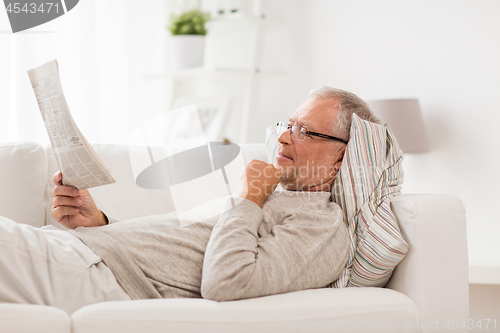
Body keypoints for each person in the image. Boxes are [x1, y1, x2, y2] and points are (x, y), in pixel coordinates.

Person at [0, 86, 380, 314]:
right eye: (286, 125)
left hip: (96, 274)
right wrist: (98, 223)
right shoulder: (270, 196)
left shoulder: (323, 227)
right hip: (78, 251)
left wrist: (249, 199)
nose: (282, 138)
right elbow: (181, 248)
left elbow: (227, 282)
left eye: (305, 131)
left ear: (343, 157)